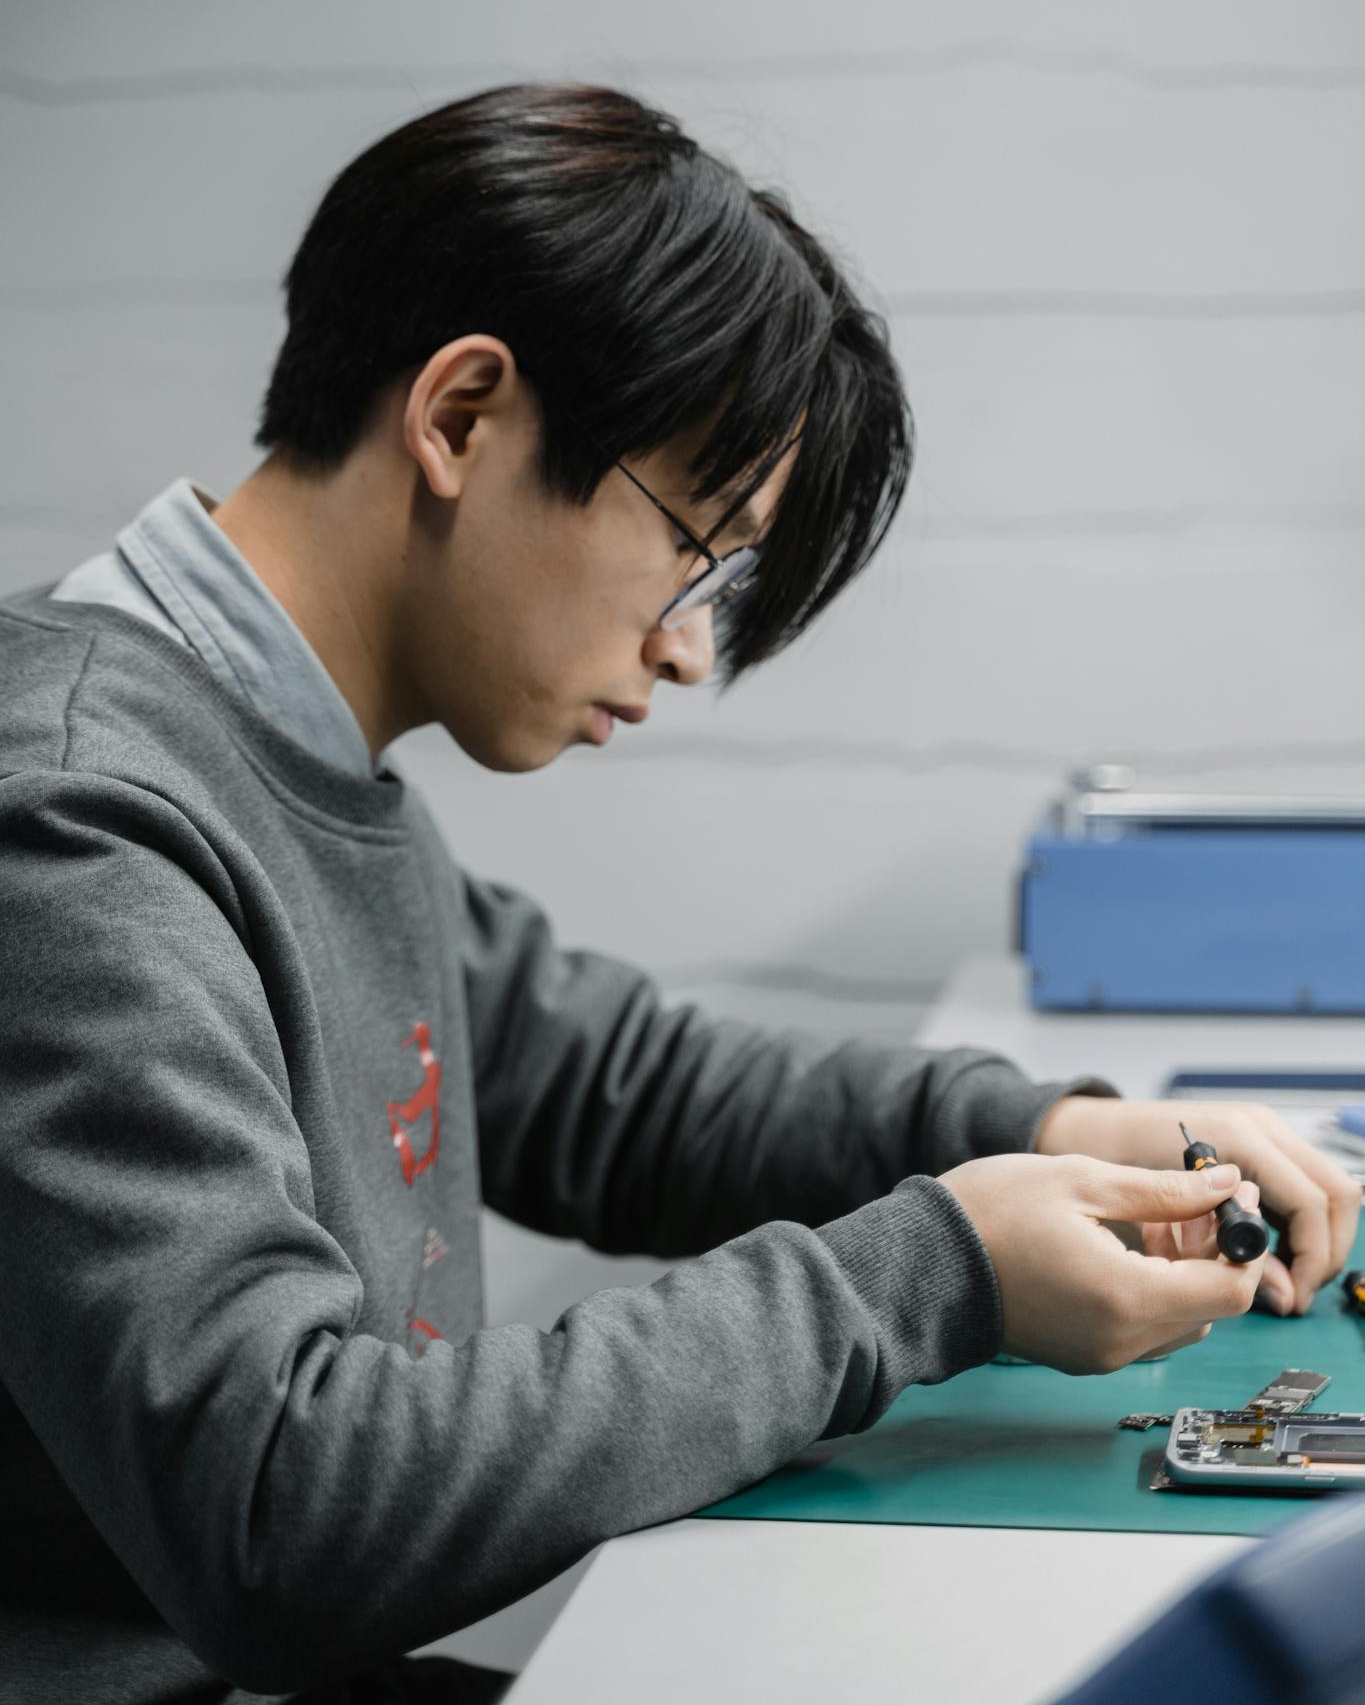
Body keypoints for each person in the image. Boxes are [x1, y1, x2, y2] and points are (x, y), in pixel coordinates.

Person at [0, 84, 1357, 1705]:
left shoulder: (281, 757)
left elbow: (624, 1092)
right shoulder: (75, 826)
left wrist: (1041, 1133)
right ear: (460, 420)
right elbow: (285, 1511)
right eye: (693, 550)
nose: (687, 647)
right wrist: (933, 1272)